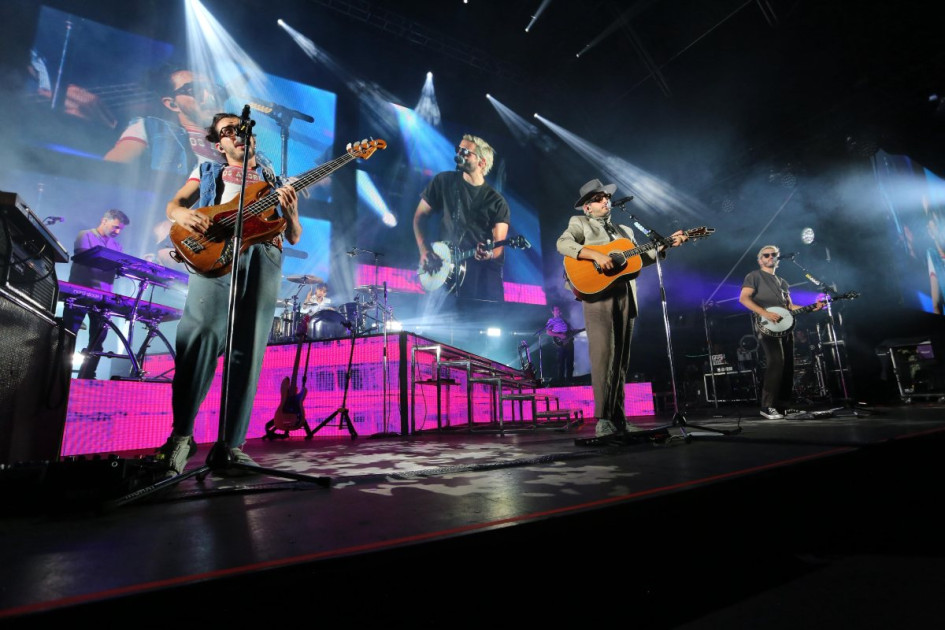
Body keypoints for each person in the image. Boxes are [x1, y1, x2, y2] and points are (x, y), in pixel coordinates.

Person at [156, 112, 300, 476]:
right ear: (218, 144)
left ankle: (231, 446)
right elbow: (175, 205)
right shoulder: (207, 170)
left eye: (241, 129)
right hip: (216, 253)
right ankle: (181, 438)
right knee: (201, 335)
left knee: (249, 349)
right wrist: (181, 217)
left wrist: (293, 213)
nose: (237, 135)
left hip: (265, 255)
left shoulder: (273, 178)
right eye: (228, 132)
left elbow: (294, 235)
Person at [557, 179, 688, 438]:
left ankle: (619, 417)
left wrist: (665, 246)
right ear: (587, 208)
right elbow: (563, 244)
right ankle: (603, 419)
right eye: (597, 198)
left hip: (626, 295)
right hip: (598, 297)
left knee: (621, 361)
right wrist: (595, 255)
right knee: (604, 356)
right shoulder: (579, 223)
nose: (604, 201)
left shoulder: (625, 229)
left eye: (605, 196)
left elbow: (638, 260)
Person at [413, 134, 510, 302]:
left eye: (466, 152)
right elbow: (419, 217)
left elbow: (499, 247)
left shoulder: (496, 202)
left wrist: (488, 254)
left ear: (482, 162)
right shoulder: (443, 181)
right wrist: (424, 250)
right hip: (445, 273)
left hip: (480, 279)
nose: (460, 153)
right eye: (459, 149)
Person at [739, 245, 823, 419]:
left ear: (778, 258)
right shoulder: (754, 276)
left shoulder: (783, 282)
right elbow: (744, 298)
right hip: (767, 325)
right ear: (759, 259)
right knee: (776, 362)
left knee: (788, 365)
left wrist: (811, 307)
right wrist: (766, 313)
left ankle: (784, 406)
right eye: (766, 255)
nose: (770, 257)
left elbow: (790, 307)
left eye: (773, 255)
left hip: (786, 326)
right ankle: (767, 406)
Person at [104, 65, 226, 174]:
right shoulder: (151, 128)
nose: (210, 97)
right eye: (194, 90)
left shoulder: (235, 141)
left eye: (214, 90)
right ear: (172, 104)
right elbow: (110, 169)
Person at [61, 209, 131, 379]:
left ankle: (87, 375)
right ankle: (59, 372)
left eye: (120, 229)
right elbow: (86, 257)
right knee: (68, 334)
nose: (117, 232)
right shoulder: (84, 235)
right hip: (80, 293)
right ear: (104, 220)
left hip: (103, 298)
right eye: (115, 227)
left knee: (98, 340)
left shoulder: (117, 246)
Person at [545, 305, 575, 383]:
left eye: (558, 309)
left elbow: (571, 330)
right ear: (553, 312)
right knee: (561, 364)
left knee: (570, 363)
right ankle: (561, 381)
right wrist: (559, 335)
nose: (558, 310)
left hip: (569, 342)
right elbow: (548, 332)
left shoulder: (564, 320)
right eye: (556, 309)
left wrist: (573, 331)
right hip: (560, 343)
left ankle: (569, 381)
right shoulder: (551, 320)